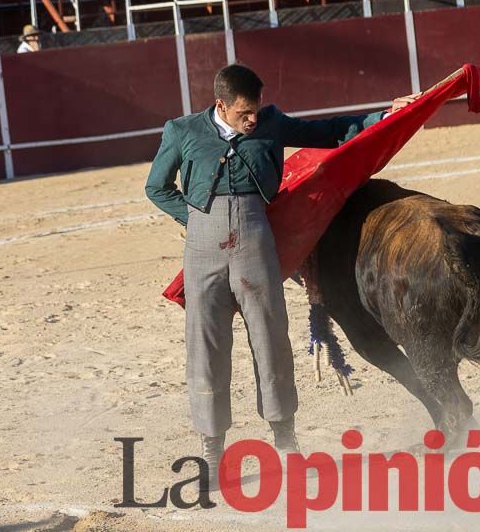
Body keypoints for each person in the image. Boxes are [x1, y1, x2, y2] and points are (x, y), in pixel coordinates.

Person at [144, 64, 420, 484]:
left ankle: (285, 441)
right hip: (203, 249)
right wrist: (196, 218)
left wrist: (384, 116)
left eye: (254, 111)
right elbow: (157, 186)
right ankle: (212, 451)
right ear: (220, 105)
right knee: (206, 345)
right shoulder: (181, 130)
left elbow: (328, 131)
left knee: (271, 337)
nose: (252, 120)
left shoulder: (271, 122)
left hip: (256, 238)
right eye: (243, 114)